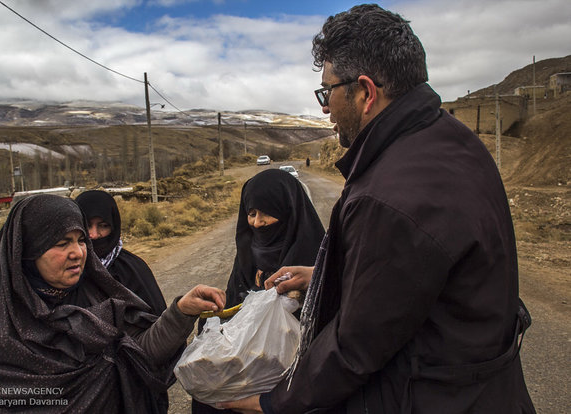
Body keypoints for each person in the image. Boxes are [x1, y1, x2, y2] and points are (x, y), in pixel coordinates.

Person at [220, 4, 535, 413]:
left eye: (327, 92)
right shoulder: (448, 139)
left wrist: (272, 402)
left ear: (366, 92)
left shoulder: (390, 195)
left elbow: (357, 346)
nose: (324, 108)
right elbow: (413, 278)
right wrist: (323, 276)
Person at [0, 194, 225, 413]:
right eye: (61, 243)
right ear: (27, 250)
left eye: (80, 240)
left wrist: (180, 313)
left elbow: (140, 355)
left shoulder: (100, 296)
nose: (78, 252)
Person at [192, 168, 326, 414]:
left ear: (290, 213)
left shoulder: (317, 262)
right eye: (251, 213)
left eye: (267, 213)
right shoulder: (246, 259)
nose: (257, 222)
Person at [75, 190, 167, 315]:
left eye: (103, 226)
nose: (94, 235)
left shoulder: (132, 269)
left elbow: (158, 324)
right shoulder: (64, 271)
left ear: (114, 226)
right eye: (87, 225)